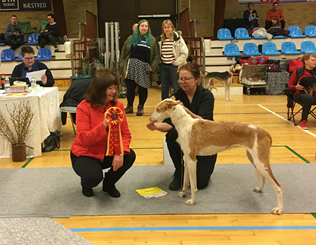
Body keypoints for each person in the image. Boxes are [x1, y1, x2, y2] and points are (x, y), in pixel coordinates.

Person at [146, 63, 217, 190]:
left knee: (200, 183)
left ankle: (199, 168)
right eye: (180, 78)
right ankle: (179, 171)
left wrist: (184, 109)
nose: (182, 82)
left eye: (186, 79)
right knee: (172, 135)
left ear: (196, 79)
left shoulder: (206, 95)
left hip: (205, 141)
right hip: (188, 138)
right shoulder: (177, 95)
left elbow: (202, 122)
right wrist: (155, 127)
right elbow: (170, 124)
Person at [70, 69, 136, 198]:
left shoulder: (118, 106)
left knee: (129, 156)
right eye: (110, 88)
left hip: (107, 151)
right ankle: (86, 184)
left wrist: (120, 152)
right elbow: (84, 139)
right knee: (93, 177)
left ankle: (109, 183)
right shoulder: (83, 108)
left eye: (114, 88)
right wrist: (104, 124)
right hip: (85, 153)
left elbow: (125, 133)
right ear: (100, 90)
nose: (114, 91)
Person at [119, 19, 160, 116]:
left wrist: (152, 67)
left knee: (143, 88)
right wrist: (122, 64)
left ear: (148, 28)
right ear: (138, 28)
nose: (144, 28)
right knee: (130, 88)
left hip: (144, 68)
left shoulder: (152, 40)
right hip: (131, 67)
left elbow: (156, 56)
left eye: (146, 26)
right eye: (142, 26)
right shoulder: (131, 38)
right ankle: (129, 106)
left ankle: (140, 106)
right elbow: (124, 52)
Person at [157, 19, 188, 100]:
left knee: (176, 86)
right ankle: (165, 105)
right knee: (164, 88)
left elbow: (185, 53)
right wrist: (159, 60)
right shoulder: (160, 39)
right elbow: (158, 52)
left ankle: (178, 105)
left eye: (168, 27)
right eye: (165, 28)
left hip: (174, 66)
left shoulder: (178, 39)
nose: (166, 29)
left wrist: (177, 62)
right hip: (163, 66)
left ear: (172, 28)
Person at [288, 53, 316, 130]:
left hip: (313, 94)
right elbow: (289, 85)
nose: (315, 62)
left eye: (315, 60)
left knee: (310, 97)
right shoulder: (297, 72)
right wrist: (296, 87)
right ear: (306, 61)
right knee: (308, 98)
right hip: (300, 94)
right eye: (313, 60)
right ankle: (304, 120)